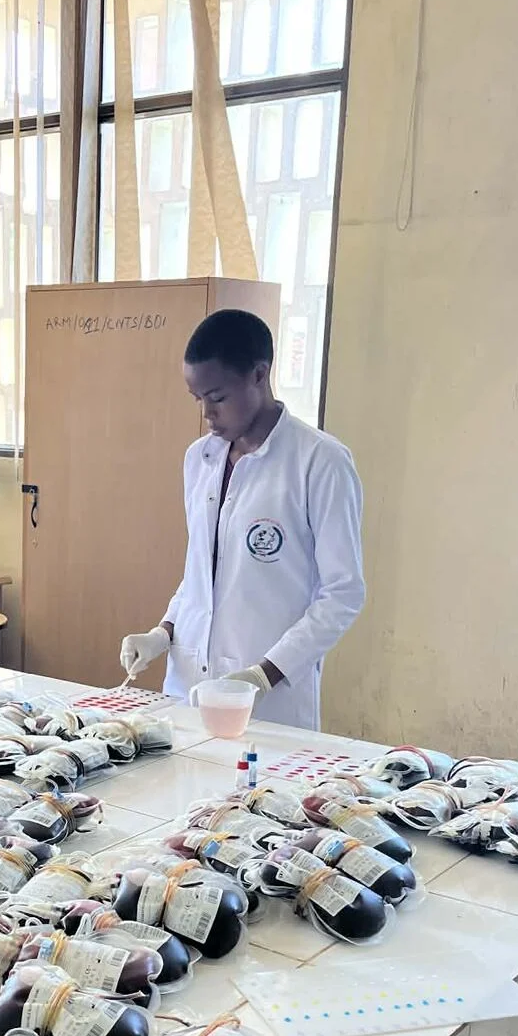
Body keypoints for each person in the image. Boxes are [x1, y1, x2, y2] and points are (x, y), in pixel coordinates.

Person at [120, 309, 365, 730]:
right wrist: (163, 632)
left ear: (259, 374)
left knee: (255, 773)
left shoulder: (320, 462)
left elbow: (343, 594)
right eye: (197, 399)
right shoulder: (199, 459)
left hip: (270, 702)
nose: (207, 414)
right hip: (187, 689)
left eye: (217, 398)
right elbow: (201, 573)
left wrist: (263, 675)